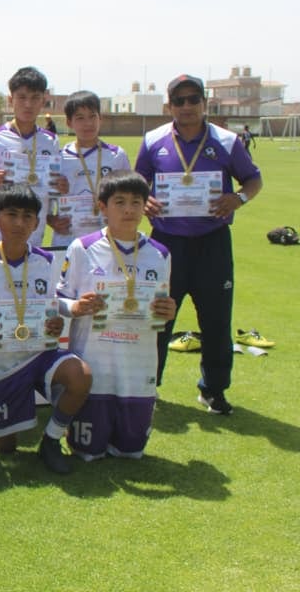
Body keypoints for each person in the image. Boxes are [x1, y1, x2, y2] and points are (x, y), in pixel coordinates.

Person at [134, 74, 262, 415]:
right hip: (165, 244)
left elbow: (253, 179)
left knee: (217, 320)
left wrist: (238, 198)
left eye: (194, 99)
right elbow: (137, 183)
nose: (187, 106)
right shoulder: (153, 140)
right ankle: (149, 386)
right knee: (158, 318)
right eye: (180, 101)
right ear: (169, 105)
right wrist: (144, 200)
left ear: (205, 103)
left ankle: (213, 391)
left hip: (212, 241)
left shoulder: (227, 140)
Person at [0, 184, 92, 474]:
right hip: (2, 362)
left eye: (27, 216)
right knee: (4, 447)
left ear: (36, 222)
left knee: (80, 374)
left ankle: (52, 440)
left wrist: (60, 318)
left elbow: (51, 303)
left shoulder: (45, 260)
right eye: (11, 215)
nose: (19, 223)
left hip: (39, 353)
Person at [56, 171, 176, 459]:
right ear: (102, 207)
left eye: (136, 202)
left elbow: (160, 309)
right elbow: (58, 300)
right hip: (96, 361)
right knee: (88, 451)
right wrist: (76, 307)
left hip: (138, 365)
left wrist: (168, 310)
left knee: (131, 453)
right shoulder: (82, 248)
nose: (128, 210)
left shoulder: (160, 254)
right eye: (119, 202)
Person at [0, 67, 64, 248]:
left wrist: (60, 185)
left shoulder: (51, 141)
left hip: (33, 235)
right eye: (22, 97)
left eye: (35, 98)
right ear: (11, 100)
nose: (28, 104)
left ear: (43, 101)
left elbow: (54, 185)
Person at [48, 91, 131, 248]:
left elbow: (129, 196)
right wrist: (51, 220)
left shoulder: (116, 155)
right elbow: (44, 201)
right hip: (67, 240)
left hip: (106, 241)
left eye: (92, 116)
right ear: (69, 123)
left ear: (100, 118)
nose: (88, 123)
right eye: (80, 118)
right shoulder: (59, 158)